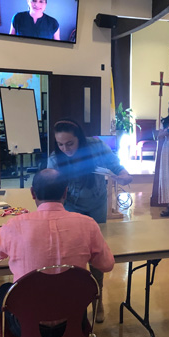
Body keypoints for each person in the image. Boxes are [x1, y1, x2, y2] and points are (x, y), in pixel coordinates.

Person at [0, 169, 115, 337]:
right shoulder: (88, 225)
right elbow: (107, 265)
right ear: (66, 193)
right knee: (71, 292)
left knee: (4, 294)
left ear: (32, 193)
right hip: (73, 323)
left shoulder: (15, 226)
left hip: (25, 326)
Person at [47, 118, 131, 322]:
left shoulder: (95, 146)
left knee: (96, 253)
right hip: (70, 206)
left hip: (95, 203)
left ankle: (97, 299)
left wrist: (123, 174)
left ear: (80, 140)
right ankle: (73, 302)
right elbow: (50, 186)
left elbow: (115, 165)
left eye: (70, 143)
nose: (65, 148)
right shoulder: (55, 158)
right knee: (70, 254)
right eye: (60, 144)